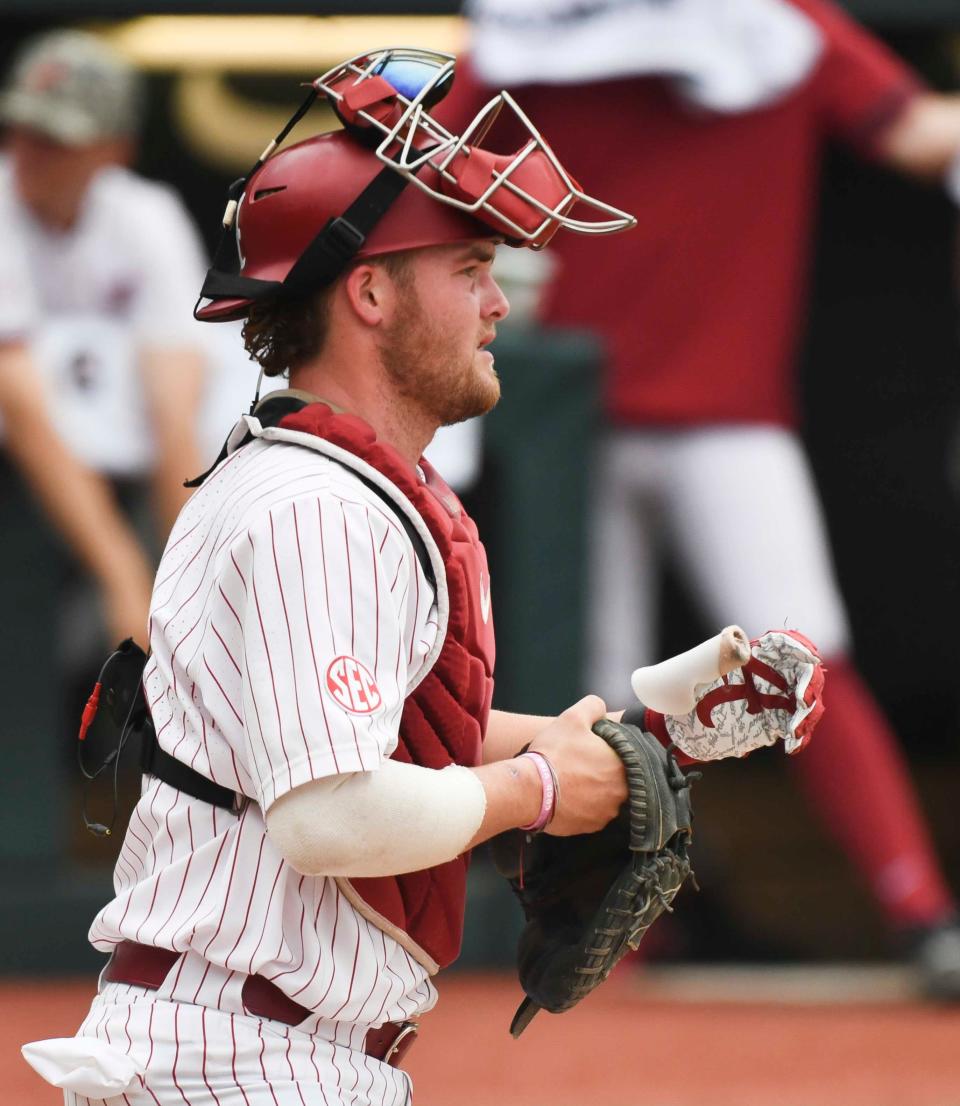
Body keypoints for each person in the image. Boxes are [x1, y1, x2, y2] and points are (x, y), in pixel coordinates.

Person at [440, 0, 960, 994]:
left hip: (722, 410)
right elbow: (427, 171)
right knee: (593, 699)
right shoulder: (537, 25)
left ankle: (919, 911)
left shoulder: (777, 24)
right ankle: (610, 940)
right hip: (573, 409)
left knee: (799, 660)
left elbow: (921, 132)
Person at [0, 29, 210, 646]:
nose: (30, 150)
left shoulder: (147, 215)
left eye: (57, 137)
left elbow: (176, 415)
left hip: (116, 471)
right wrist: (123, 578)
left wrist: (185, 593)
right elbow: (20, 405)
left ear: (113, 149)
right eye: (22, 128)